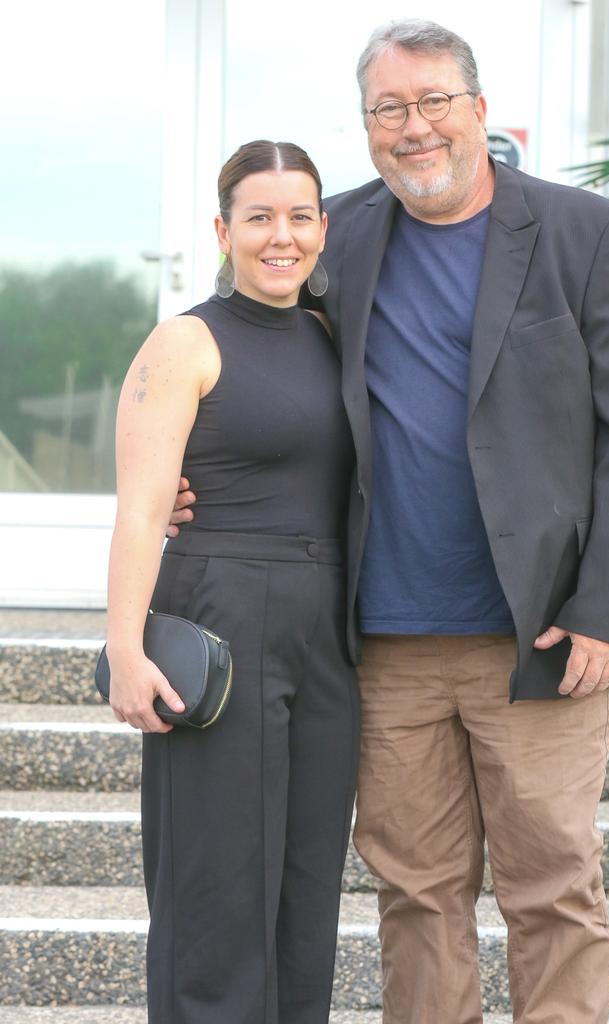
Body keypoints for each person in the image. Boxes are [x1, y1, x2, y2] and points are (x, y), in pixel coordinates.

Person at [171, 19, 609, 1024]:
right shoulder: (333, 234)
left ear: (479, 110)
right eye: (389, 109)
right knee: (417, 893)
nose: (415, 127)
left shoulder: (587, 235)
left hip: (543, 635)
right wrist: (189, 467)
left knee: (554, 888)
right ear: (366, 129)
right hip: (386, 641)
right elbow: (242, 347)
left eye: (434, 100)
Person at [106, 140, 359, 1024]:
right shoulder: (186, 341)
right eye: (259, 217)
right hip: (219, 611)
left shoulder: (336, 337)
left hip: (327, 629)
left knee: (305, 883)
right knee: (216, 884)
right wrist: (125, 648)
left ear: (324, 229)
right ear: (224, 230)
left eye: (298, 217)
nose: (280, 236)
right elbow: (141, 509)